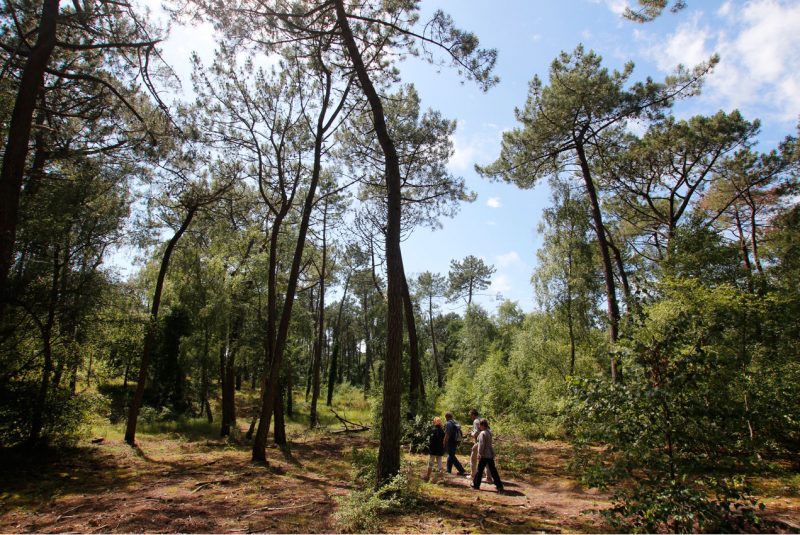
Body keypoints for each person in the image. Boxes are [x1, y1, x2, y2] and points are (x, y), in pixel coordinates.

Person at [472, 418, 503, 492]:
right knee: (493, 470)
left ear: (482, 425)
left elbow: (481, 444)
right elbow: (490, 444)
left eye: (480, 425)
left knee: (479, 470)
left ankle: (476, 485)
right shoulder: (489, 432)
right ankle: (499, 486)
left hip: (484, 455)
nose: (479, 426)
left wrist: (479, 453)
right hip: (489, 454)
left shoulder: (482, 433)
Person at [468, 409, 493, 484]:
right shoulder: (481, 419)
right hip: (486, 442)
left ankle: (473, 474)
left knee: (473, 458)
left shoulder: (476, 421)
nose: (470, 417)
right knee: (486, 460)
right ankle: (488, 477)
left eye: (470, 415)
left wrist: (471, 434)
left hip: (480, 442)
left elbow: (476, 432)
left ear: (473, 414)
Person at [443, 411, 466, 476]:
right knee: (450, 455)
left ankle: (461, 470)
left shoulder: (448, 423)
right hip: (456, 441)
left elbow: (447, 434)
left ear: (447, 417)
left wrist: (444, 442)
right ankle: (448, 470)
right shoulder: (456, 422)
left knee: (452, 456)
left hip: (450, 441)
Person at [424, 416, 445, 482]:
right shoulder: (442, 431)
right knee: (439, 463)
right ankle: (442, 478)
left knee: (430, 463)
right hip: (440, 449)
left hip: (433, 449)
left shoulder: (432, 430)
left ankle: (427, 476)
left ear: (434, 422)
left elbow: (430, 441)